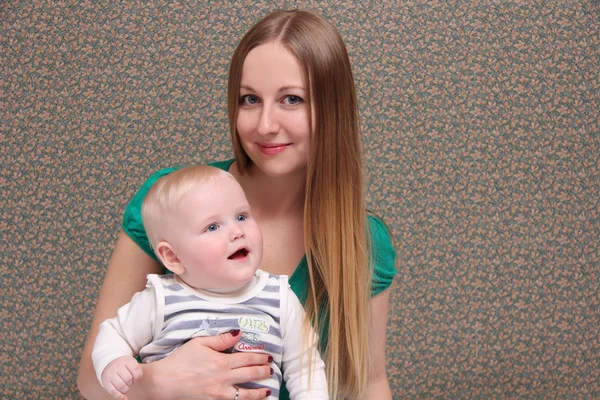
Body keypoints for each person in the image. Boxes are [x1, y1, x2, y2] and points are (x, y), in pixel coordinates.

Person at [77, 8, 397, 400]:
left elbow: (368, 382)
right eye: (249, 99)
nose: (264, 125)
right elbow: (92, 382)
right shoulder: (169, 201)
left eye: (291, 99)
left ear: (332, 110)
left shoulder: (364, 241)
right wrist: (160, 384)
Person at [92, 166, 328, 400]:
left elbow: (306, 369)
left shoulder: (279, 297)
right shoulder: (161, 298)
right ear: (173, 257)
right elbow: (114, 333)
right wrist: (113, 362)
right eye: (212, 227)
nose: (237, 231)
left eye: (241, 216)